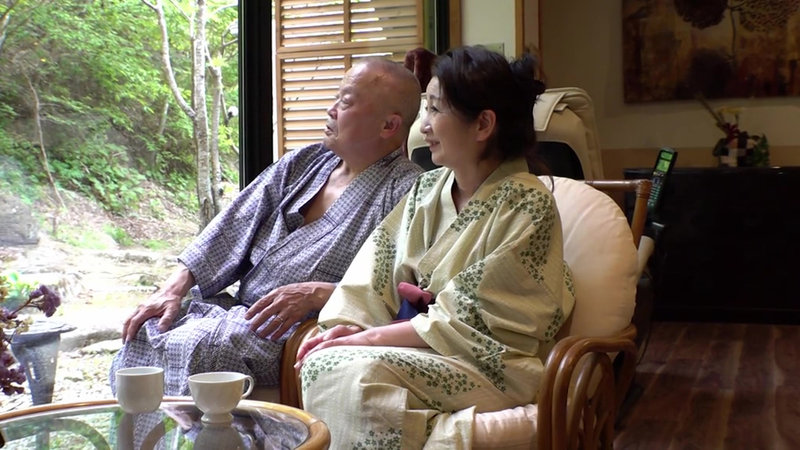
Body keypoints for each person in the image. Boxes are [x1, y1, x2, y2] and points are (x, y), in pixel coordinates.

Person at [295, 45, 575, 448]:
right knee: (325, 360)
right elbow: (374, 271)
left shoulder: (527, 203)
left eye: (435, 109)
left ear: (483, 124)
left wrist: (367, 340)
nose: (423, 127)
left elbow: (472, 320)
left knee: (351, 373)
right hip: (415, 351)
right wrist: (351, 325)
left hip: (489, 363)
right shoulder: (425, 189)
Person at [109, 57, 424, 396]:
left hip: (299, 327)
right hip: (241, 313)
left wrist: (317, 294)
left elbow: (402, 291)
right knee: (147, 329)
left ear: (388, 126)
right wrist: (171, 289)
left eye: (345, 103)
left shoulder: (409, 190)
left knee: (208, 351)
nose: (330, 110)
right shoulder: (303, 162)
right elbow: (233, 225)